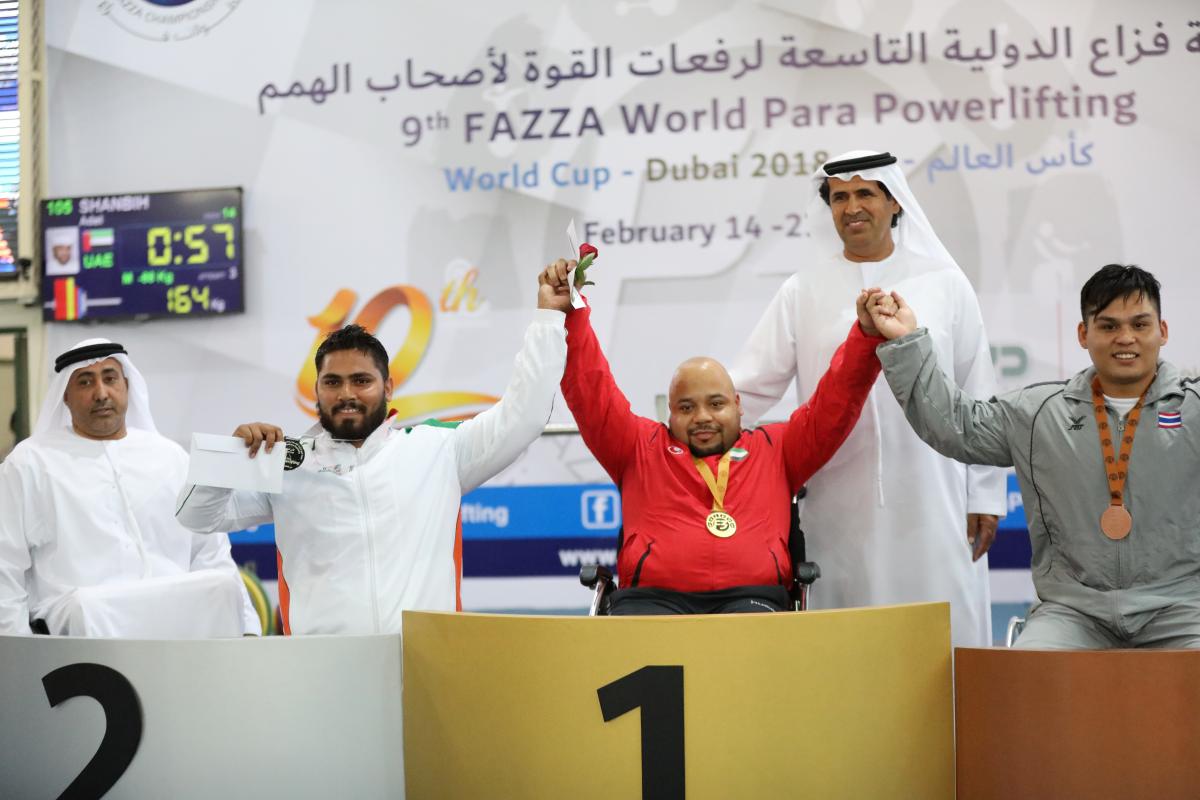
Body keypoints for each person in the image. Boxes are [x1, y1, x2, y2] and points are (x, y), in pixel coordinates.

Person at [175, 276, 568, 635]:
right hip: (321, 677)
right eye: (333, 382)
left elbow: (525, 414)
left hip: (423, 670)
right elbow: (196, 517)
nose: (347, 393)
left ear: (388, 387)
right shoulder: (285, 461)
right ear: (317, 390)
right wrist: (228, 460)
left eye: (361, 380)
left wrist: (548, 319)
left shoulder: (438, 449)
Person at [729, 150, 1006, 646]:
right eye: (839, 198)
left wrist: (984, 493)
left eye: (864, 194)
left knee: (940, 637)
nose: (851, 207)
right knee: (844, 642)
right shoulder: (803, 289)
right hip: (837, 495)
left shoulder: (945, 282)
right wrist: (687, 430)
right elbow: (749, 385)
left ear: (894, 202)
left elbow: (977, 388)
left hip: (934, 491)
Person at [869, 264, 1200, 649]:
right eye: (1108, 326)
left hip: (1181, 608)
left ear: (1162, 331)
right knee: (1027, 679)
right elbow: (957, 426)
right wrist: (907, 342)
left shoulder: (1193, 409)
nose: (1125, 338)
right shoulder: (1041, 412)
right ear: (1083, 333)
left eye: (1140, 325)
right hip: (1073, 613)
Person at [541, 259, 886, 614]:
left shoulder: (778, 449)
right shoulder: (637, 448)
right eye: (687, 407)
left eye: (716, 404)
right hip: (652, 603)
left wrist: (866, 337)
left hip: (753, 601)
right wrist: (571, 313)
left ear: (738, 406)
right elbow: (590, 391)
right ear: (670, 413)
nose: (702, 417)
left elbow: (834, 404)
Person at [0, 339, 259, 637]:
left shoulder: (171, 457)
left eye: (110, 378)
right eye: (85, 382)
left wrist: (248, 629)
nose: (101, 393)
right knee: (86, 605)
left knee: (220, 585)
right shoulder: (30, 463)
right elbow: (5, 565)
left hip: (176, 623)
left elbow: (211, 553)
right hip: (82, 629)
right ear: (66, 397)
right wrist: (16, 651)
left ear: (127, 385)